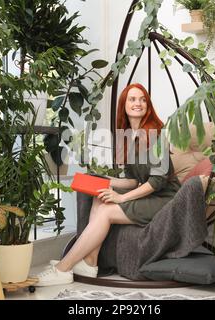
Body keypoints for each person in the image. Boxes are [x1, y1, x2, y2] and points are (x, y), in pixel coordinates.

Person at [36, 83, 181, 286]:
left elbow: (156, 182)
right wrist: (105, 181)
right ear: (124, 105)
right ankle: (90, 263)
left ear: (148, 105)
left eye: (142, 99)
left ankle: (63, 268)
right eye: (132, 99)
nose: (138, 103)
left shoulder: (156, 134)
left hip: (166, 199)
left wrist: (121, 197)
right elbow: (133, 179)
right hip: (148, 193)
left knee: (105, 211)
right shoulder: (126, 137)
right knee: (101, 196)